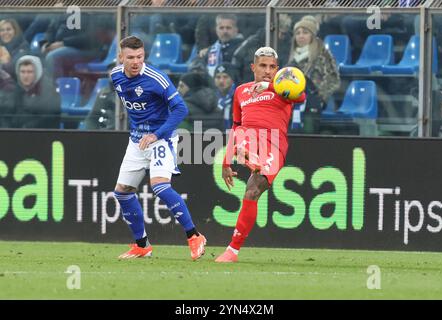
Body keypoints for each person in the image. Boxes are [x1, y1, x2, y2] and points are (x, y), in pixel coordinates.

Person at [110, 36, 206, 260]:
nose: (136, 62)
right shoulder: (115, 76)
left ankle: (194, 236)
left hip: (160, 139)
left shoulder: (156, 79)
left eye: (140, 57)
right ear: (121, 57)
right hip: (137, 141)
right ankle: (142, 245)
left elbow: (180, 110)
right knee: (122, 192)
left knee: (160, 186)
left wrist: (156, 134)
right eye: (131, 57)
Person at [215, 47, 306, 263]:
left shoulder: (283, 89)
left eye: (272, 67)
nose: (267, 71)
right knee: (244, 136)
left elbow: (301, 96)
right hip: (247, 136)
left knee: (253, 188)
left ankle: (250, 157)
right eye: (263, 66)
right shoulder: (240, 91)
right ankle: (232, 252)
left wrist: (271, 85)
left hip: (274, 143)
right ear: (253, 67)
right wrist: (225, 161)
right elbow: (235, 125)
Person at [287, 15, 340, 133]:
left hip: (312, 105)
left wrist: (319, 97)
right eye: (298, 33)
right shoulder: (292, 57)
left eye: (305, 32)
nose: (301, 36)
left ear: (312, 35)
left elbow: (333, 79)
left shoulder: (322, 54)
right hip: (292, 105)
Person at [191, 14, 244, 79]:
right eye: (221, 28)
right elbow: (196, 64)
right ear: (216, 30)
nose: (225, 31)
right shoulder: (212, 49)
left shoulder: (243, 48)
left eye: (228, 28)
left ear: (236, 30)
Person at [14, 55, 60, 128]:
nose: (25, 76)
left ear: (37, 72)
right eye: (22, 72)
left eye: (30, 72)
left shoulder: (48, 90)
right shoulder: (16, 89)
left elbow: (47, 118)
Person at [214, 62, 238, 130]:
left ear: (232, 79)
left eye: (225, 77)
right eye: (218, 77)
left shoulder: (240, 97)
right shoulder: (210, 98)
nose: (221, 81)